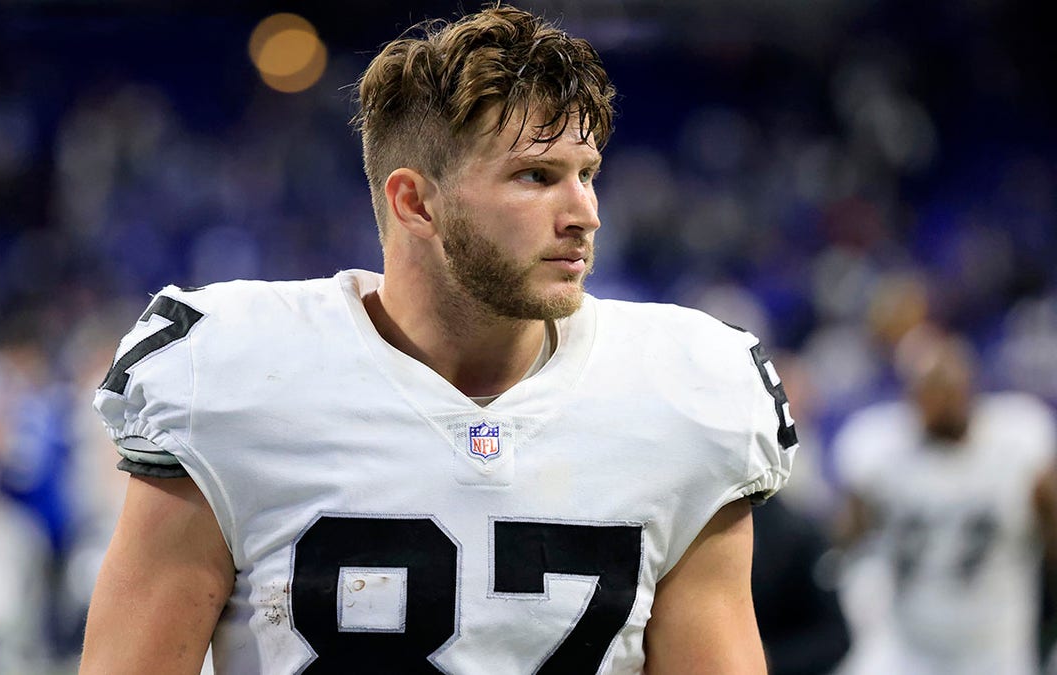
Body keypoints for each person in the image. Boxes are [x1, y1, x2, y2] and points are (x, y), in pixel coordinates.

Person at [79, 5, 796, 673]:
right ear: (415, 202)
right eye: (536, 176)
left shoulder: (683, 394)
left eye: (587, 174)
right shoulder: (229, 379)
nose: (584, 213)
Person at [833, 329, 1057, 675]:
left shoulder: (1018, 440)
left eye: (948, 387)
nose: (942, 401)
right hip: (905, 644)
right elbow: (846, 541)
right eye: (930, 389)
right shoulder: (879, 447)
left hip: (996, 646)